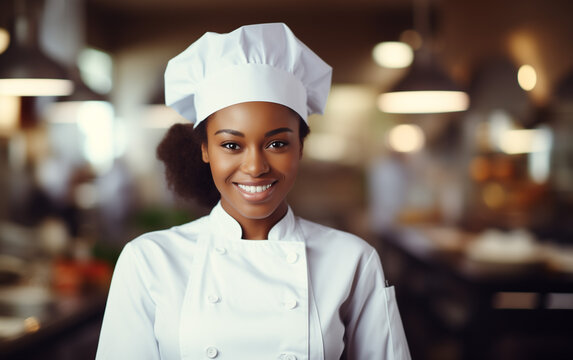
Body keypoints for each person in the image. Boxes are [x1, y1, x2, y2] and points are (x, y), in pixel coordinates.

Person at [96, 23, 410, 360]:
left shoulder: (352, 260)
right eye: (232, 144)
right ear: (205, 150)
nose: (255, 166)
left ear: (300, 147)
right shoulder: (148, 261)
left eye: (277, 143)